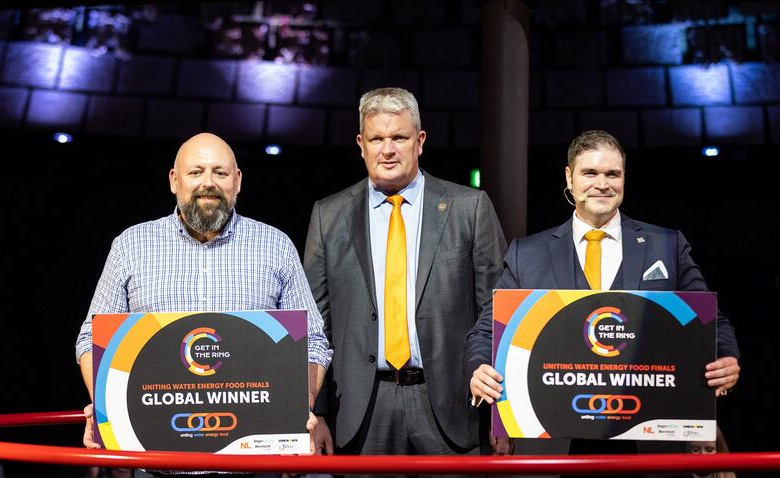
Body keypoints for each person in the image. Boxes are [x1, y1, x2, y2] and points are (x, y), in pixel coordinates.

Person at [465, 130, 740, 476]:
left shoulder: (666, 246)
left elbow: (711, 320)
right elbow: (485, 332)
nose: (602, 184)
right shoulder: (527, 255)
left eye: (613, 174)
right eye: (590, 173)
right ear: (569, 177)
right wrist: (478, 369)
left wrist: (727, 357)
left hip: (647, 442)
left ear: (624, 178)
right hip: (555, 443)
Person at [75, 133, 331, 474]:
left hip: (255, 465)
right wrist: (107, 407)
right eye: (196, 172)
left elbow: (312, 341)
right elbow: (92, 339)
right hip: (157, 466)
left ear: (237, 181)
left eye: (220, 173)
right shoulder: (130, 246)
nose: (207, 183)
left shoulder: (276, 245)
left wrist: (298, 403)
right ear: (174, 180)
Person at [303, 87, 507, 457]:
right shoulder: (328, 215)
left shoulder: (469, 208)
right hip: (361, 412)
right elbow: (316, 325)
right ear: (361, 144)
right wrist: (318, 414)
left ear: (420, 141)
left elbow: (496, 313)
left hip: (451, 406)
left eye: (399, 137)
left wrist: (503, 414)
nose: (388, 149)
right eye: (377, 138)